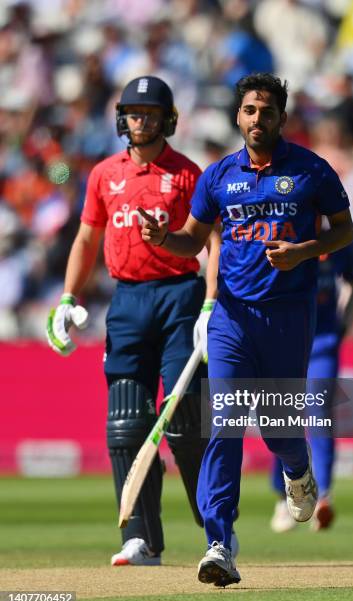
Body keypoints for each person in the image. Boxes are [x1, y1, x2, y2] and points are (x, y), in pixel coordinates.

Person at [140, 72, 353, 586]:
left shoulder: (311, 170)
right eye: (250, 111)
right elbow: (192, 242)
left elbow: (344, 230)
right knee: (225, 425)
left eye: (268, 111)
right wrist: (161, 235)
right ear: (239, 117)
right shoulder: (218, 177)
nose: (258, 119)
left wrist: (304, 251)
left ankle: (297, 467)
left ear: (282, 117)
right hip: (232, 319)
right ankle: (220, 541)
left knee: (278, 429)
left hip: (287, 318)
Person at [46, 75, 224, 567]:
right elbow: (86, 239)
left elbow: (214, 242)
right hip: (127, 301)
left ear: (168, 119)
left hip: (180, 296)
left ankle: (212, 521)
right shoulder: (104, 174)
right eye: (132, 112)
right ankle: (141, 537)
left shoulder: (190, 174)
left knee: (186, 419)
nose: (139, 120)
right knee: (126, 420)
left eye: (148, 112)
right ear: (122, 118)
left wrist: (210, 303)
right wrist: (66, 297)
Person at [270, 245, 353, 533]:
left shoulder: (337, 238)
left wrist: (346, 321)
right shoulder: (286, 229)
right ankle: (286, 497)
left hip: (323, 341)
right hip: (285, 337)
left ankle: (323, 496)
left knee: (319, 411)